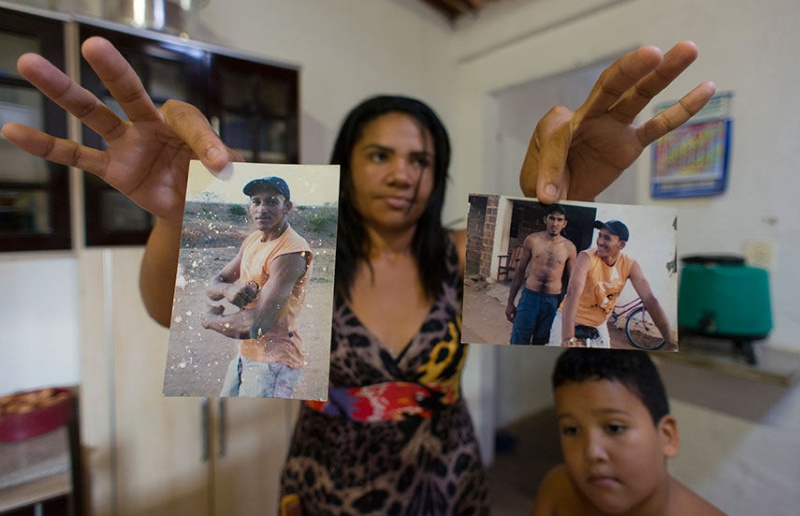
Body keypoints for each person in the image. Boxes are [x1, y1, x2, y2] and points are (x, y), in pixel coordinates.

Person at [0, 36, 715, 514]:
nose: (404, 172)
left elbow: (595, 312)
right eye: (381, 155)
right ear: (347, 163)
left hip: (449, 480)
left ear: (436, 175)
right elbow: (171, 315)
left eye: (421, 159)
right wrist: (172, 218)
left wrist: (572, 201)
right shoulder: (305, 251)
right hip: (324, 485)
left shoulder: (460, 254)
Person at [533, 348, 724, 515]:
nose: (592, 452)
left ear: (667, 437)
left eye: (614, 428)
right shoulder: (557, 491)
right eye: (571, 430)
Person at [200, 176, 312, 398]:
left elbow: (256, 325)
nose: (262, 209)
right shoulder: (253, 239)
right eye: (256, 201)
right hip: (247, 353)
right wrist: (227, 290)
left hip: (273, 362)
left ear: (287, 207)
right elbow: (214, 284)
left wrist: (210, 321)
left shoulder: (291, 253)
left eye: (271, 201)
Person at [550, 219, 676, 349]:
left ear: (621, 245)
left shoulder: (629, 265)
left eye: (607, 238)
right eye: (599, 236)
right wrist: (568, 339)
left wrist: (671, 342)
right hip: (568, 319)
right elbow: (573, 293)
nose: (600, 242)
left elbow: (650, 300)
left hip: (598, 323)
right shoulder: (586, 257)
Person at [507, 204, 577, 345]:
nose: (555, 223)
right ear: (545, 219)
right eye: (552, 218)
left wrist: (569, 312)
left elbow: (572, 283)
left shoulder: (569, 248)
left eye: (559, 220)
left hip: (552, 302)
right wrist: (510, 303)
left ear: (565, 223)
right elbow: (519, 272)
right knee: (519, 340)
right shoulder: (532, 240)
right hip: (529, 298)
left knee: (542, 342)